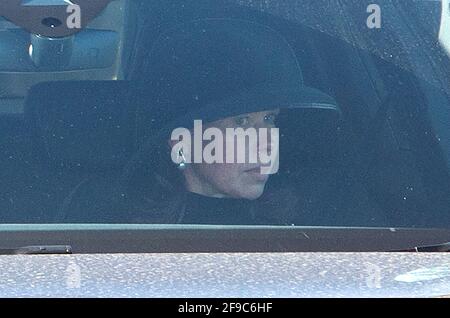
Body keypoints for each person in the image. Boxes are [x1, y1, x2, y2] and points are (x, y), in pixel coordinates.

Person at [116, 18, 341, 224]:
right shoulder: (125, 237)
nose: (267, 143)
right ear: (181, 144)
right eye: (242, 122)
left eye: (269, 118)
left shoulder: (310, 227)